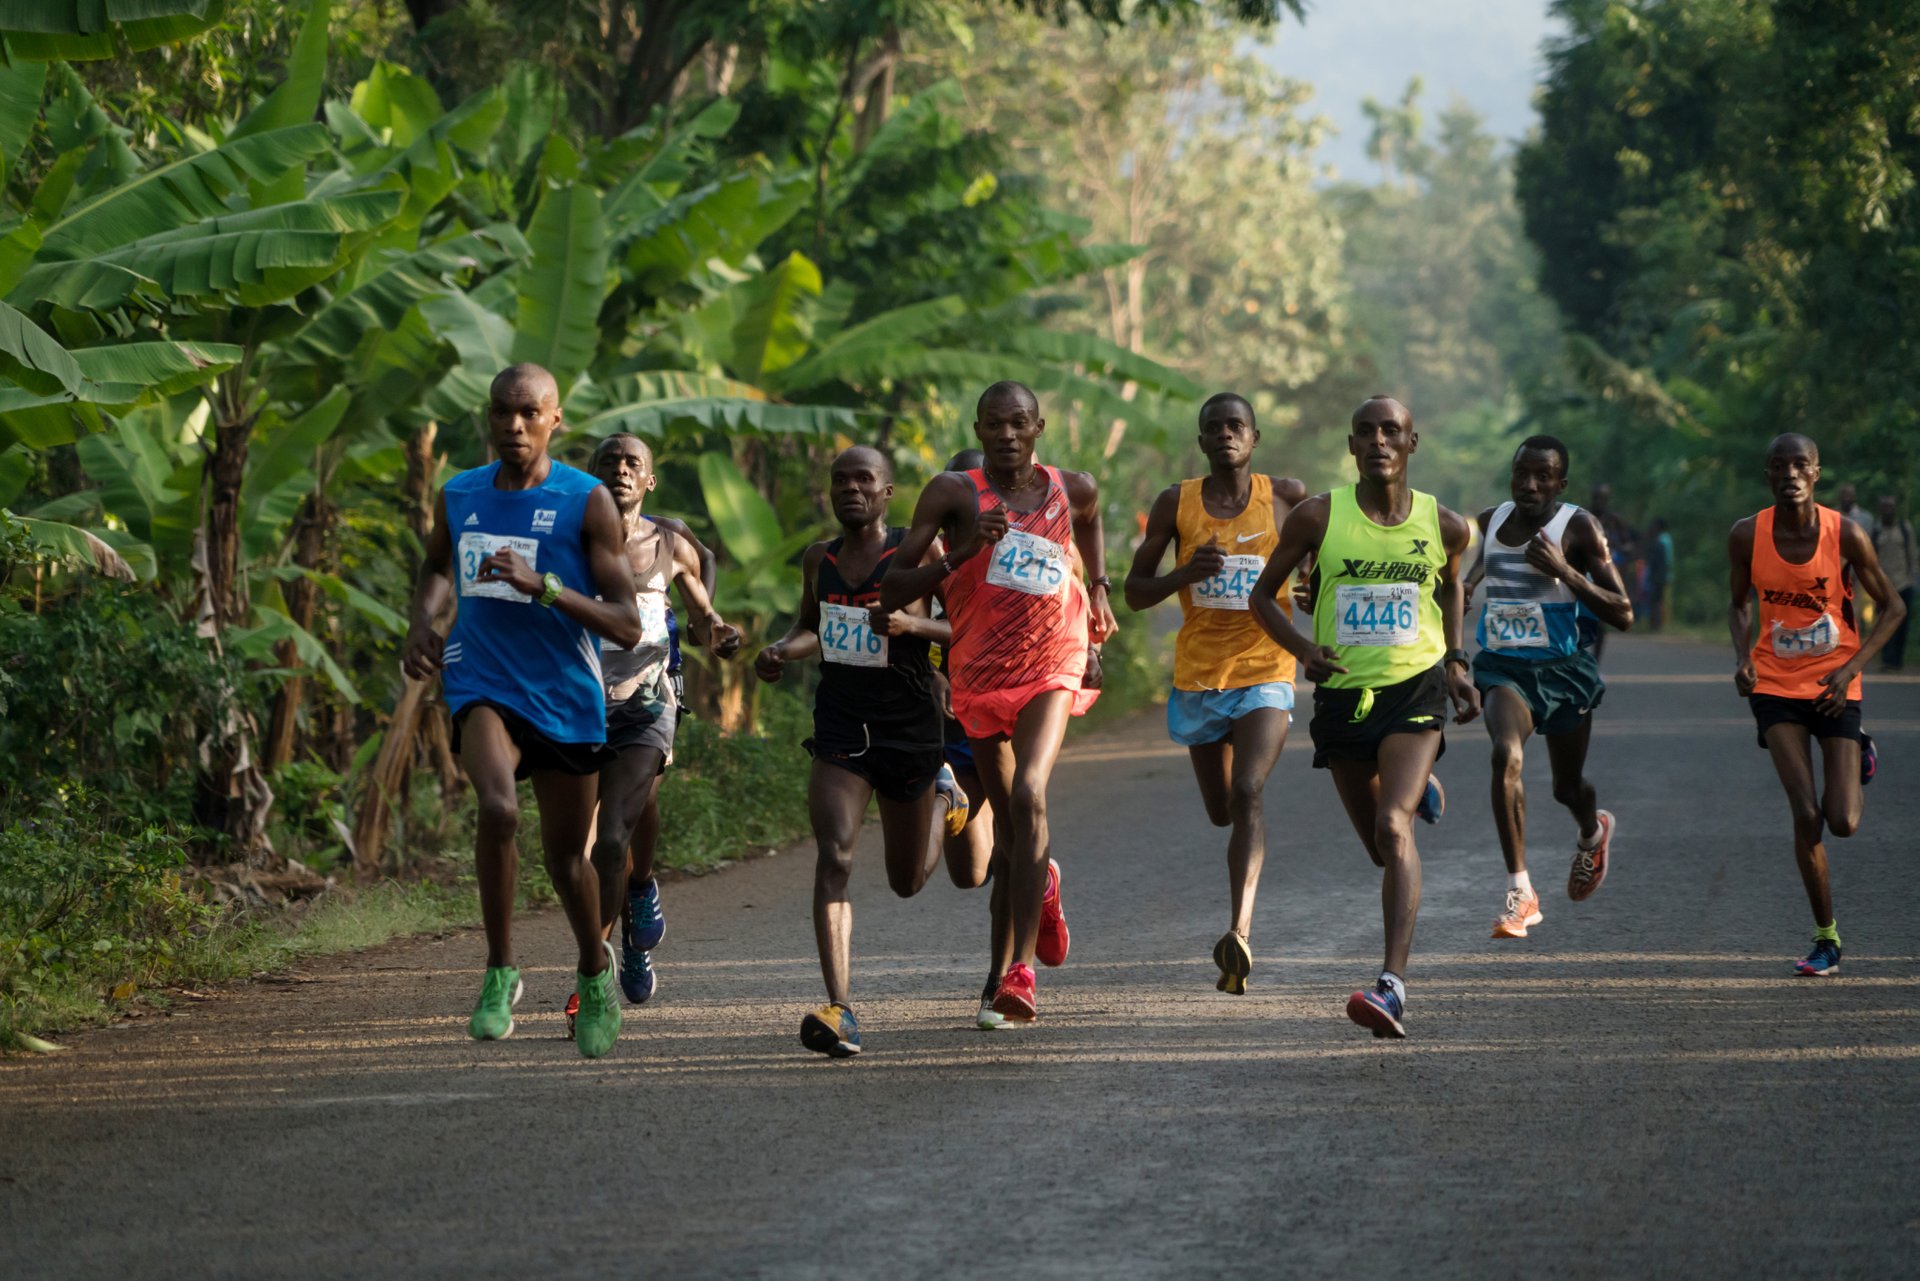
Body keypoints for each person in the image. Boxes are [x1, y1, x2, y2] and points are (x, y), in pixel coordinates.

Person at [401, 364, 642, 1059]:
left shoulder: (585, 500)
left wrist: (547, 588)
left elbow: (626, 623)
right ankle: (500, 971)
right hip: (481, 678)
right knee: (499, 809)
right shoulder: (460, 494)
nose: (513, 426)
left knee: (569, 860)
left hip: (565, 696)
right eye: (501, 413)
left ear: (555, 420)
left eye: (528, 414)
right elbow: (438, 567)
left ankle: (594, 971)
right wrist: (423, 619)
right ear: (487, 417)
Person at [882, 381, 1118, 1028]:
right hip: (979, 676)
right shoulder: (952, 494)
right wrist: (963, 552)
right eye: (995, 424)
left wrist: (1098, 588)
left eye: (1020, 423)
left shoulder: (1074, 488)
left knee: (1028, 794)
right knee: (1011, 843)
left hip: (1053, 662)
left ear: (1039, 425)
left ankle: (1019, 973)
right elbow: (893, 589)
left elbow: (1092, 524)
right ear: (979, 428)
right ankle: (1039, 888)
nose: (1008, 434)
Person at [1249, 395, 1477, 1039]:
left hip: (1416, 690)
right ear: (1352, 447)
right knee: (1382, 849)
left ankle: (1391, 986)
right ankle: (1416, 781)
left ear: (1412, 443)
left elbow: (1454, 583)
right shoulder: (1318, 518)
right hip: (1343, 697)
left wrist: (1457, 662)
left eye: (1392, 431)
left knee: (1393, 825)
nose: (1379, 440)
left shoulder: (1445, 524)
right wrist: (1301, 650)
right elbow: (1261, 595)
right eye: (1367, 432)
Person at [754, 446, 968, 1057]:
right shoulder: (818, 558)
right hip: (843, 727)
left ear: (886, 492)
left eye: (863, 479)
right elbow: (811, 628)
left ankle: (943, 798)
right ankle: (840, 1008)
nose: (851, 488)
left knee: (906, 881)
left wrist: (911, 627)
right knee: (835, 855)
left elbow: (965, 625)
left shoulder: (917, 551)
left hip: (910, 727)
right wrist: (778, 651)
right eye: (841, 480)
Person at [1123, 392, 1307, 993]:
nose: (1226, 434)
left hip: (1267, 667)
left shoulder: (1286, 498)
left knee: (1249, 790)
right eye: (1214, 428)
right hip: (1200, 675)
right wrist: (1184, 573)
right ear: (1201, 442)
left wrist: (1309, 588)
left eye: (1236, 426)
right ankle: (1240, 919)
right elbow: (1134, 591)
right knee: (1223, 809)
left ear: (1254, 439)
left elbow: (1325, 564)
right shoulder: (1175, 503)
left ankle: (1240, 934)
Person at [1727, 434, 1904, 977]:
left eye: (1800, 464)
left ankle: (1860, 745)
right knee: (1806, 815)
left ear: (1817, 473)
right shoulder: (1746, 535)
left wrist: (1851, 668)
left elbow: (1893, 607)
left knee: (1843, 820)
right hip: (1775, 686)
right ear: (1768, 475)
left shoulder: (1845, 534)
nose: (1790, 474)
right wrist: (1742, 656)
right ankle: (1827, 938)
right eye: (1779, 465)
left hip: (1835, 684)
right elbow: (1737, 605)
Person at [586, 434, 739, 1007]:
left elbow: (703, 598)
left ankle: (599, 968)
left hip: (648, 699)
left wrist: (713, 632)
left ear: (649, 481)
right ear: (592, 475)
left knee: (615, 834)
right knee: (607, 836)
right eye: (610, 462)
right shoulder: (569, 540)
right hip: (579, 702)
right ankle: (632, 906)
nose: (621, 470)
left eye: (633, 464)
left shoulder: (669, 541)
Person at [1468, 436, 1632, 940]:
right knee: (1506, 755)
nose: (1530, 485)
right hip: (1504, 669)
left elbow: (1622, 612)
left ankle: (1591, 831)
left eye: (1543, 476)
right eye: (1522, 474)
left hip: (1562, 672)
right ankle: (1521, 892)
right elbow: (1482, 568)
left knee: (1567, 787)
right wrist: (1465, 584)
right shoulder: (1491, 520)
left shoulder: (1578, 527)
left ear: (1561, 484)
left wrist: (1565, 571)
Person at [933, 448, 998, 894]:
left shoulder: (1023, 552)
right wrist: (930, 674)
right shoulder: (925, 557)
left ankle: (1011, 963)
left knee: (1022, 823)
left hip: (1011, 711)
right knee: (970, 874)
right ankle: (1034, 867)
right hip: (951, 720)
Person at [1588, 483, 1635, 664]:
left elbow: (1628, 544)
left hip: (1606, 574)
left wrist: (1617, 549)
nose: (1600, 501)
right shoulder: (1583, 517)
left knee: (1600, 621)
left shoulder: (1614, 520)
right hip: (1584, 573)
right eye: (1597, 497)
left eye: (1604, 498)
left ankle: (1595, 662)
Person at [1872, 494, 1914, 671]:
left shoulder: (1904, 528)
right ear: (1880, 509)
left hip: (1903, 583)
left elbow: (1912, 553)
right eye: (1885, 507)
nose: (1888, 510)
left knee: (1902, 625)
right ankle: (1887, 660)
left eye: (1891, 507)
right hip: (1883, 586)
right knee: (1884, 623)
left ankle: (1897, 661)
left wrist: (1913, 578)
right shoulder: (1876, 530)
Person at [1644, 516, 1674, 631]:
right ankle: (1659, 624)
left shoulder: (1660, 541)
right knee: (1660, 600)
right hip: (1665, 575)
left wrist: (1653, 576)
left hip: (1659, 576)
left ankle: (1655, 625)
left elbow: (1658, 562)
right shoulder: (1667, 539)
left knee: (1656, 601)